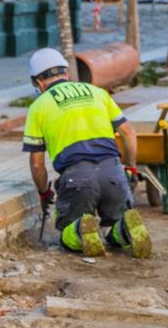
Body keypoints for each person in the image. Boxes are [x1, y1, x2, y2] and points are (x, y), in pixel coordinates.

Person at [21, 48, 151, 258]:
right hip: (114, 174)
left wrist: (44, 192)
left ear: (38, 82)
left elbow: (37, 164)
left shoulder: (38, 107)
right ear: (66, 73)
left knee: (66, 233)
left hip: (77, 178)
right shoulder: (98, 93)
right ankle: (125, 230)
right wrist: (130, 168)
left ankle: (80, 230)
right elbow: (128, 133)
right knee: (116, 223)